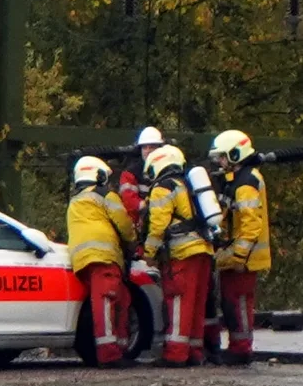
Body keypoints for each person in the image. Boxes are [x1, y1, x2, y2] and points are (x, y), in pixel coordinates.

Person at [142, 144, 214, 367]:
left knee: (179, 302)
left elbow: (157, 227)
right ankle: (194, 351)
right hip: (203, 250)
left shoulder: (163, 188)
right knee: (196, 303)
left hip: (182, 253)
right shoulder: (187, 185)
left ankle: (175, 354)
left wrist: (148, 253)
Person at [66, 155, 137, 368]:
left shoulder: (75, 201)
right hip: (104, 258)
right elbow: (123, 223)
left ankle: (121, 348)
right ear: (98, 175)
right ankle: (109, 355)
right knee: (106, 302)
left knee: (121, 299)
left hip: (82, 262)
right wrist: (133, 242)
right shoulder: (105, 195)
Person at [209, 130, 271, 366]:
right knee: (233, 302)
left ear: (235, 154)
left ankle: (241, 348)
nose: (220, 162)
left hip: (244, 259)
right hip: (240, 256)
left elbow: (250, 225)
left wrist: (239, 255)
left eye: (223, 157)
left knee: (239, 303)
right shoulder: (241, 179)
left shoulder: (245, 183)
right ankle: (237, 346)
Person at [119, 126, 166, 233]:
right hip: (140, 227)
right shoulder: (130, 173)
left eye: (151, 147)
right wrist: (149, 206)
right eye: (144, 147)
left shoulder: (168, 169)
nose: (147, 151)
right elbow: (129, 201)